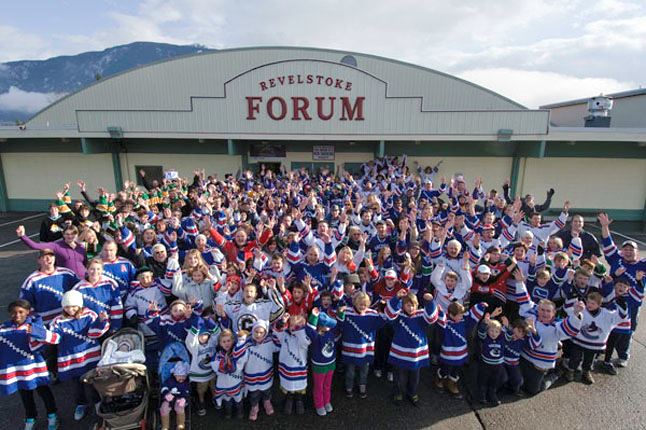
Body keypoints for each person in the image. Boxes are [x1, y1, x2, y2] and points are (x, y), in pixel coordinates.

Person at [32, 290, 110, 421]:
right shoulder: (58, 321)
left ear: (79, 305)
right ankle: (81, 404)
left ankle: (98, 402)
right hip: (71, 358)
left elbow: (93, 333)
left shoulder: (89, 315)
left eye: (74, 306)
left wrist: (101, 321)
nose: (71, 309)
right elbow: (55, 338)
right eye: (67, 306)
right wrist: (39, 333)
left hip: (89, 355)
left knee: (93, 381)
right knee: (77, 383)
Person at [1, 300, 59, 430]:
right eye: (13, 312)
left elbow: (54, 338)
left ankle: (52, 415)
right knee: (25, 395)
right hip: (18, 370)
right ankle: (30, 417)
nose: (17, 315)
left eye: (21, 312)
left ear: (27, 312)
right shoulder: (4, 329)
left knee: (44, 391)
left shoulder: (35, 326)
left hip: (36, 367)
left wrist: (34, 331)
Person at [384, 290, 438, 405]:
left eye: (413, 305)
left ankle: (412, 392)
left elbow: (432, 318)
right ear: (403, 306)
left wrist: (430, 302)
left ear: (417, 305)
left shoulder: (421, 315)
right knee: (399, 375)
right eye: (408, 305)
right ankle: (398, 392)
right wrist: (396, 298)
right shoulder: (398, 315)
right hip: (400, 351)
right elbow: (389, 314)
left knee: (414, 376)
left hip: (416, 353)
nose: (411, 308)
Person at [338, 291, 386, 399]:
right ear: (354, 302)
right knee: (350, 371)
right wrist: (340, 313)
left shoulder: (372, 314)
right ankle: (349, 387)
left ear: (368, 304)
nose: (362, 307)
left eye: (365, 304)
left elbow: (382, 322)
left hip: (365, 349)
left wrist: (383, 309)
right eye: (360, 304)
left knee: (364, 371)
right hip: (350, 349)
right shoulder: (347, 312)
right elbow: (340, 324)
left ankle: (362, 386)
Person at [239, 320, 279, 421]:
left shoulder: (269, 341)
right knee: (254, 394)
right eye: (256, 332)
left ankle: (267, 402)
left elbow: (278, 346)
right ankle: (254, 407)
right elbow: (241, 357)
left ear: (265, 332)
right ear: (252, 331)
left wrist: (276, 333)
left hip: (266, 373)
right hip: (251, 374)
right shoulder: (247, 344)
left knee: (266, 391)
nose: (258, 335)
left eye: (261, 332)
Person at [308, 307, 342, 416]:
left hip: (331, 364)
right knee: (318, 386)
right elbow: (309, 330)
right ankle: (319, 404)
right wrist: (313, 316)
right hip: (319, 366)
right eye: (328, 324)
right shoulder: (315, 336)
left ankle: (327, 401)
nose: (330, 326)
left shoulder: (331, 333)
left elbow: (340, 327)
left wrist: (341, 314)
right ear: (320, 325)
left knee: (327, 385)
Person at [17, 224, 87, 278]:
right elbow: (35, 246)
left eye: (73, 234)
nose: (70, 236)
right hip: (65, 280)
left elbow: (85, 263)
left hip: (82, 279)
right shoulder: (56, 246)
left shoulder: (81, 247)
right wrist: (23, 236)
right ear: (63, 234)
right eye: (67, 234)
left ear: (77, 235)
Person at [160, 362, 190, 430]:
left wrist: (184, 398)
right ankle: (165, 427)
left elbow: (186, 392)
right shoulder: (169, 381)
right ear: (174, 375)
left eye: (184, 376)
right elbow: (164, 387)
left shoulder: (186, 382)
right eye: (179, 376)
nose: (182, 378)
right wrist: (166, 393)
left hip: (180, 399)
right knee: (164, 408)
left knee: (180, 408)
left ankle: (180, 425)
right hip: (169, 398)